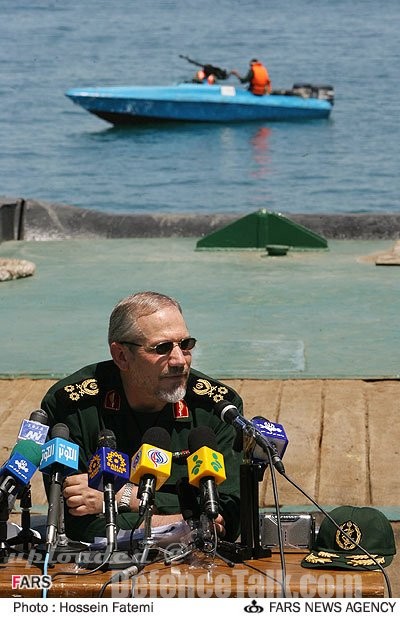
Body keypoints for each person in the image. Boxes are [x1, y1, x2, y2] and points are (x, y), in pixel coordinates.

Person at [41, 291, 242, 543]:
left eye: (185, 344)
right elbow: (74, 522)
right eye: (162, 348)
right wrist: (190, 519)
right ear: (121, 356)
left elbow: (229, 515)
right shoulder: (73, 407)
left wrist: (122, 497)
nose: (180, 361)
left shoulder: (216, 408)